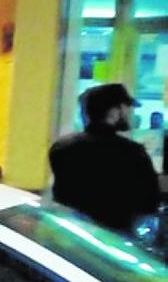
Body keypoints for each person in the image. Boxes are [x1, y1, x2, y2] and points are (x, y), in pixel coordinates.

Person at [48, 83, 160, 235]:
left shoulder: (61, 147)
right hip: (111, 241)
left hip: (70, 235)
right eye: (127, 107)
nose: (130, 113)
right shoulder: (132, 153)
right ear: (115, 111)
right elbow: (149, 202)